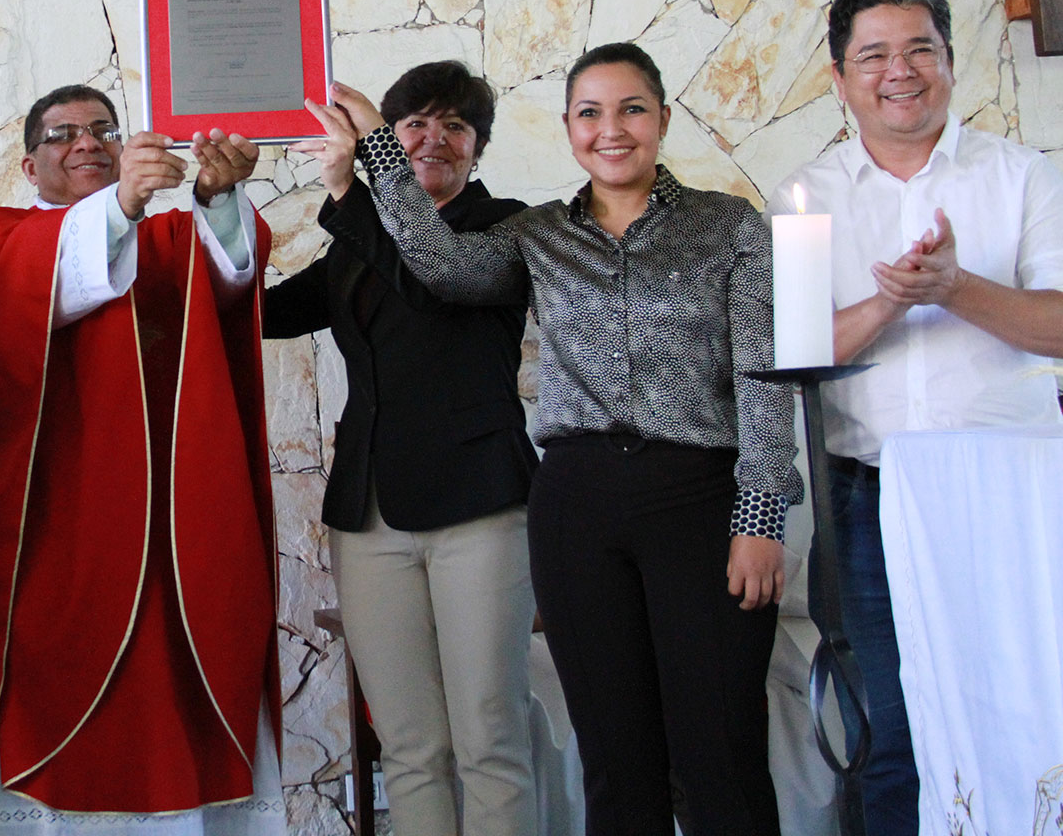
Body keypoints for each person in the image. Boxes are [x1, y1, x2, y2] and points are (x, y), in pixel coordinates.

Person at [312, 44, 800, 836]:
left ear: (664, 119)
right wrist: (375, 149)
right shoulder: (538, 235)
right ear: (569, 130)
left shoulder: (728, 226)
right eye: (589, 113)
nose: (612, 130)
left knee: (720, 750)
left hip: (700, 499)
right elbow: (439, 266)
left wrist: (761, 519)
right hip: (577, 502)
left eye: (632, 109)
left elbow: (766, 382)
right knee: (612, 755)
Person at [0, 86, 284, 836]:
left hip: (173, 535)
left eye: (103, 130)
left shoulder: (168, 240)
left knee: (177, 708)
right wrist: (120, 207)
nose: (86, 142)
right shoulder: (1, 237)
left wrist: (220, 197)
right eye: (63, 134)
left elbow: (233, 279)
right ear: (29, 164)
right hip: (54, 533)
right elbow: (40, 282)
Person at [769, 0, 1063, 835]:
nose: (899, 71)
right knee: (896, 727)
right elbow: (792, 348)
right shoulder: (808, 193)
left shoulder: (1021, 177)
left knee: (1027, 708)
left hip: (1015, 489)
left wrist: (957, 286)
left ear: (947, 60)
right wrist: (898, 297)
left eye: (919, 50)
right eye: (874, 56)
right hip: (872, 495)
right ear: (839, 77)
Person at [263, 61, 539, 836]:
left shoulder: (512, 227)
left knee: (491, 738)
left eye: (455, 125)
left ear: (478, 148)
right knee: (411, 746)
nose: (432, 138)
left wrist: (361, 186)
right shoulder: (359, 242)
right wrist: (216, 213)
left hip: (480, 507)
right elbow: (264, 312)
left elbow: (433, 280)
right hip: (370, 514)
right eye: (414, 122)